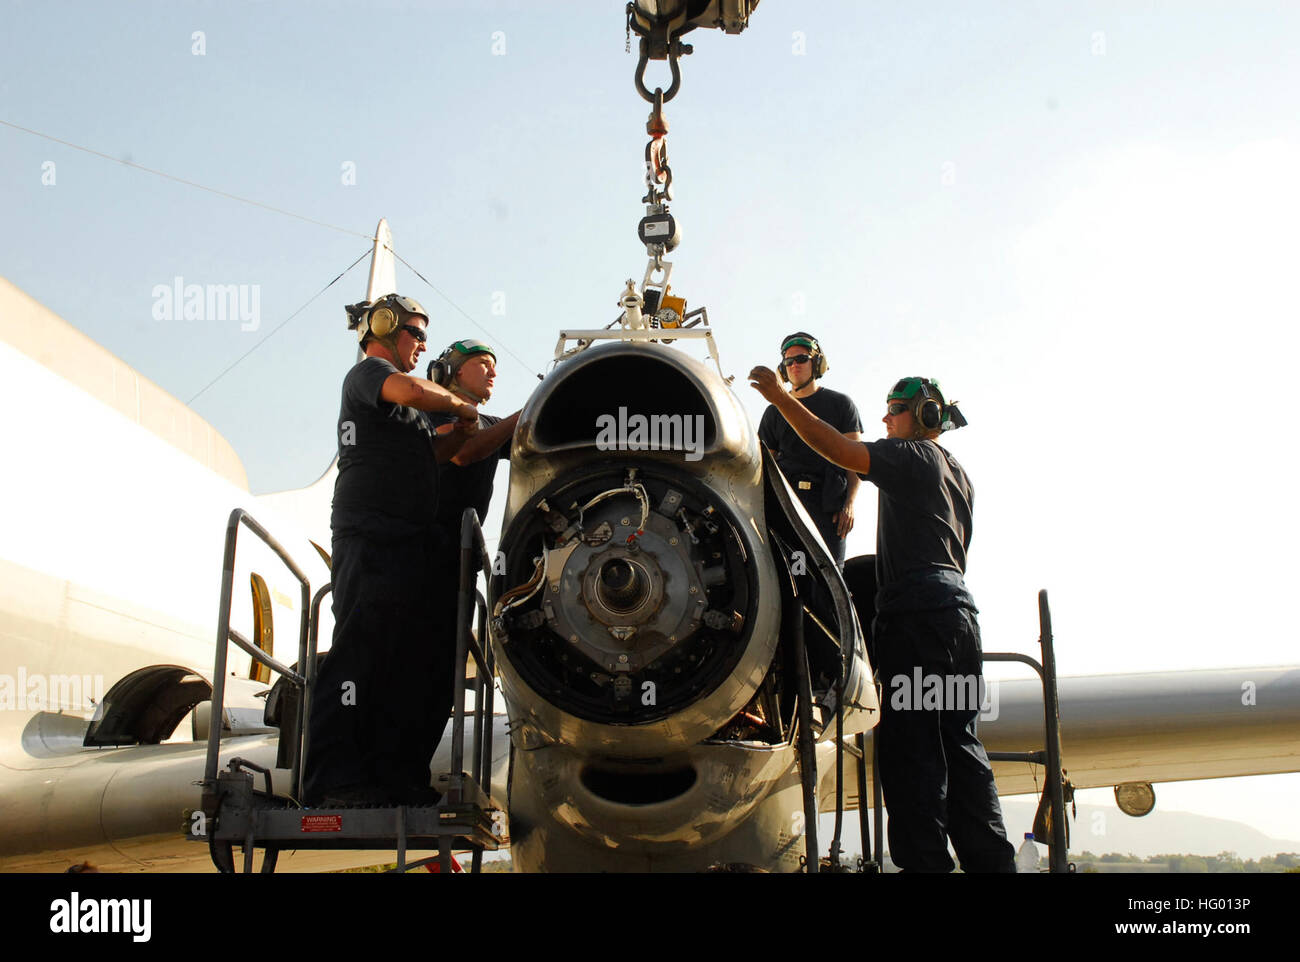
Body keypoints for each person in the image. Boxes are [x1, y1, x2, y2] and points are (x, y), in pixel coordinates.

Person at [748, 366, 1015, 873]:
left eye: (893, 411)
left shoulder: (912, 456)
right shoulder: (958, 473)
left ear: (923, 417)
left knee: (912, 752)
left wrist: (780, 399)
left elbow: (839, 450)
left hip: (917, 618)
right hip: (960, 618)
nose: (885, 420)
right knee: (961, 747)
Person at [303, 294, 479, 808]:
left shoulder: (404, 414)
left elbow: (437, 452)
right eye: (417, 333)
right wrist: (458, 406)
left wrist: (468, 429)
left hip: (403, 543)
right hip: (371, 536)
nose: (424, 344)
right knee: (359, 652)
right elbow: (409, 388)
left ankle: (389, 779)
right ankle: (332, 781)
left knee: (399, 661)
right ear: (384, 327)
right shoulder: (370, 374)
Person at [757, 333, 862, 568]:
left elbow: (855, 461)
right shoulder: (774, 413)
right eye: (788, 361)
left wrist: (850, 503)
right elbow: (764, 467)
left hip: (829, 512)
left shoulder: (841, 404)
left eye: (802, 359)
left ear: (816, 363)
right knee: (796, 578)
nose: (794, 365)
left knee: (830, 580)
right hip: (790, 508)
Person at [425, 339, 520, 546]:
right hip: (423, 551)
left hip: (464, 552)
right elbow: (463, 452)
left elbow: (536, 440)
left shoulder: (490, 425)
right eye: (484, 363)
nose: (493, 374)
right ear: (453, 370)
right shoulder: (432, 410)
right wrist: (524, 414)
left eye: (494, 367)